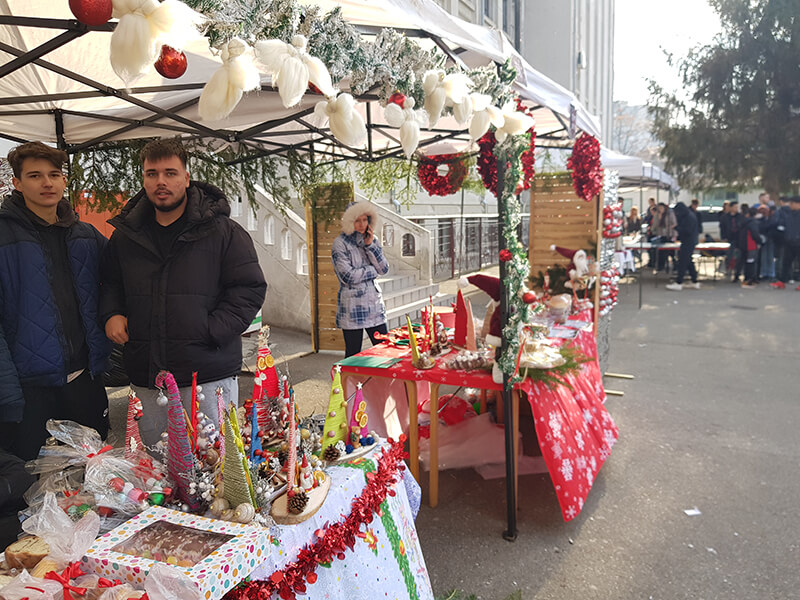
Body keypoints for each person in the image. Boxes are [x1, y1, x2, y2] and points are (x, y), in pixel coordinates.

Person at [100, 139, 267, 447]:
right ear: (143, 179)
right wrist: (112, 313)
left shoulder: (224, 233)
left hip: (206, 372)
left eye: (170, 172)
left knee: (213, 470)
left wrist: (211, 329)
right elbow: (110, 282)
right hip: (147, 374)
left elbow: (249, 287)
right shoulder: (125, 238)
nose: (161, 181)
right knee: (155, 471)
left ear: (187, 178)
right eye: (152, 173)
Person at [0, 142, 110, 460]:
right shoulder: (4, 238)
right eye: (35, 175)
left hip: (84, 381)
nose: (47, 183)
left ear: (64, 181)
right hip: (28, 388)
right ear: (18, 183)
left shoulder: (86, 236)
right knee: (28, 487)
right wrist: (7, 396)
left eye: (54, 174)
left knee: (93, 482)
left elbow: (122, 277)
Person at [332, 201, 390, 357]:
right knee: (352, 354)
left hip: (374, 306)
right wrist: (372, 270)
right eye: (357, 220)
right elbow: (348, 276)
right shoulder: (340, 244)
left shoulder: (373, 239)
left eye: (365, 220)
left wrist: (370, 245)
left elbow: (384, 269)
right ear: (350, 221)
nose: (362, 224)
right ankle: (349, 382)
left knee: (385, 351)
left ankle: (383, 382)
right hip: (352, 308)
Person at [666, 202, 700, 291]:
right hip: (689, 241)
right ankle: (694, 281)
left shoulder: (689, 218)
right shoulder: (689, 215)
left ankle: (679, 282)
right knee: (688, 262)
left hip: (688, 242)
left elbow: (687, 231)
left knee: (683, 262)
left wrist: (676, 228)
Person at [770, 196, 800, 290]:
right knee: (785, 263)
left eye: (792, 203)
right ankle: (782, 282)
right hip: (789, 242)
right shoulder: (789, 214)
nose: (790, 205)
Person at [650, 202, 676, 273]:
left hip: (669, 234)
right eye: (659, 208)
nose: (661, 209)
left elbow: (674, 223)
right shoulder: (657, 215)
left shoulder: (669, 214)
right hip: (660, 234)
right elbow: (654, 225)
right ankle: (660, 266)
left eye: (662, 208)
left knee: (671, 251)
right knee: (660, 251)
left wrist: (670, 227)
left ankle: (674, 266)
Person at [740, 207, 762, 288]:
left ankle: (747, 278)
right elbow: (755, 234)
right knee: (752, 262)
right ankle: (751, 279)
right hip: (752, 245)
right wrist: (759, 242)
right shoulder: (753, 223)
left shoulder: (744, 222)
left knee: (747, 262)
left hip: (744, 245)